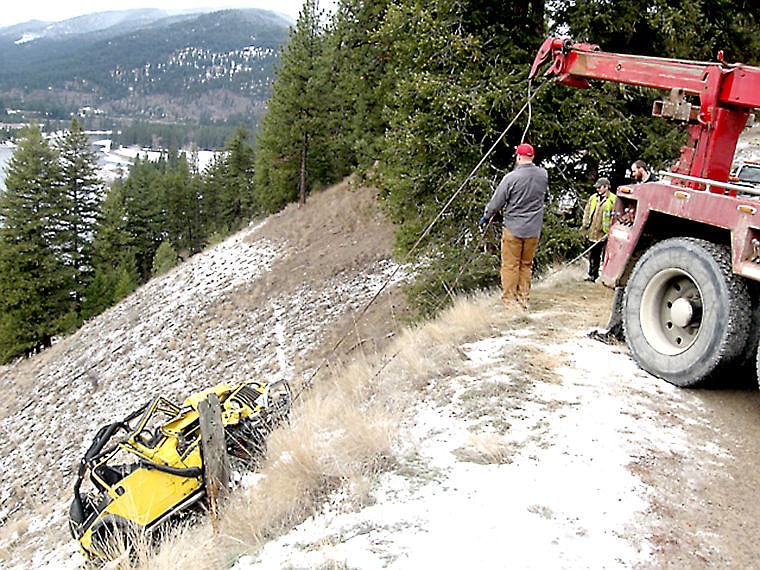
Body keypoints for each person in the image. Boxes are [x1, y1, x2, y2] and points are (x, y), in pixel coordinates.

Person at [480, 142, 548, 307]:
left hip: (513, 228)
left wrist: (486, 216)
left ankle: (509, 301)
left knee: (511, 265)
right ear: (532, 157)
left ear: (518, 157)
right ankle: (523, 299)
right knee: (526, 265)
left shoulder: (511, 178)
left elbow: (497, 202)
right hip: (533, 229)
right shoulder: (543, 175)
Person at [581, 177, 616, 282]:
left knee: (605, 257)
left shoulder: (613, 200)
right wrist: (584, 227)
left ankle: (605, 277)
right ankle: (592, 275)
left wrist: (610, 231)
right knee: (593, 255)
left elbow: (615, 218)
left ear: (606, 187)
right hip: (593, 232)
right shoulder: (593, 198)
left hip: (605, 234)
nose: (597, 189)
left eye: (599, 187)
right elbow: (587, 213)